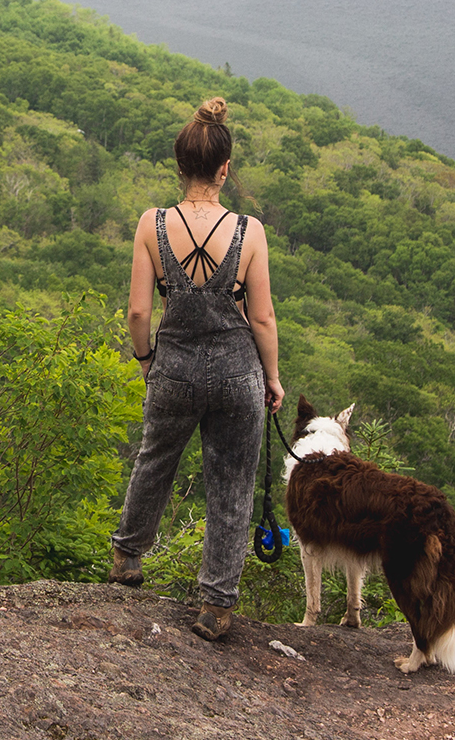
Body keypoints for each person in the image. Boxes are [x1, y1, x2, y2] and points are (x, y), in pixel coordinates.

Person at [107, 96, 284, 641]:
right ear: (224, 169)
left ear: (180, 166)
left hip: (175, 367)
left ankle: (128, 558)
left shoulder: (152, 224)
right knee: (231, 482)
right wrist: (272, 379)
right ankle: (215, 606)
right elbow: (263, 317)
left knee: (155, 460)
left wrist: (146, 360)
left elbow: (139, 312)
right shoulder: (250, 231)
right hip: (237, 372)